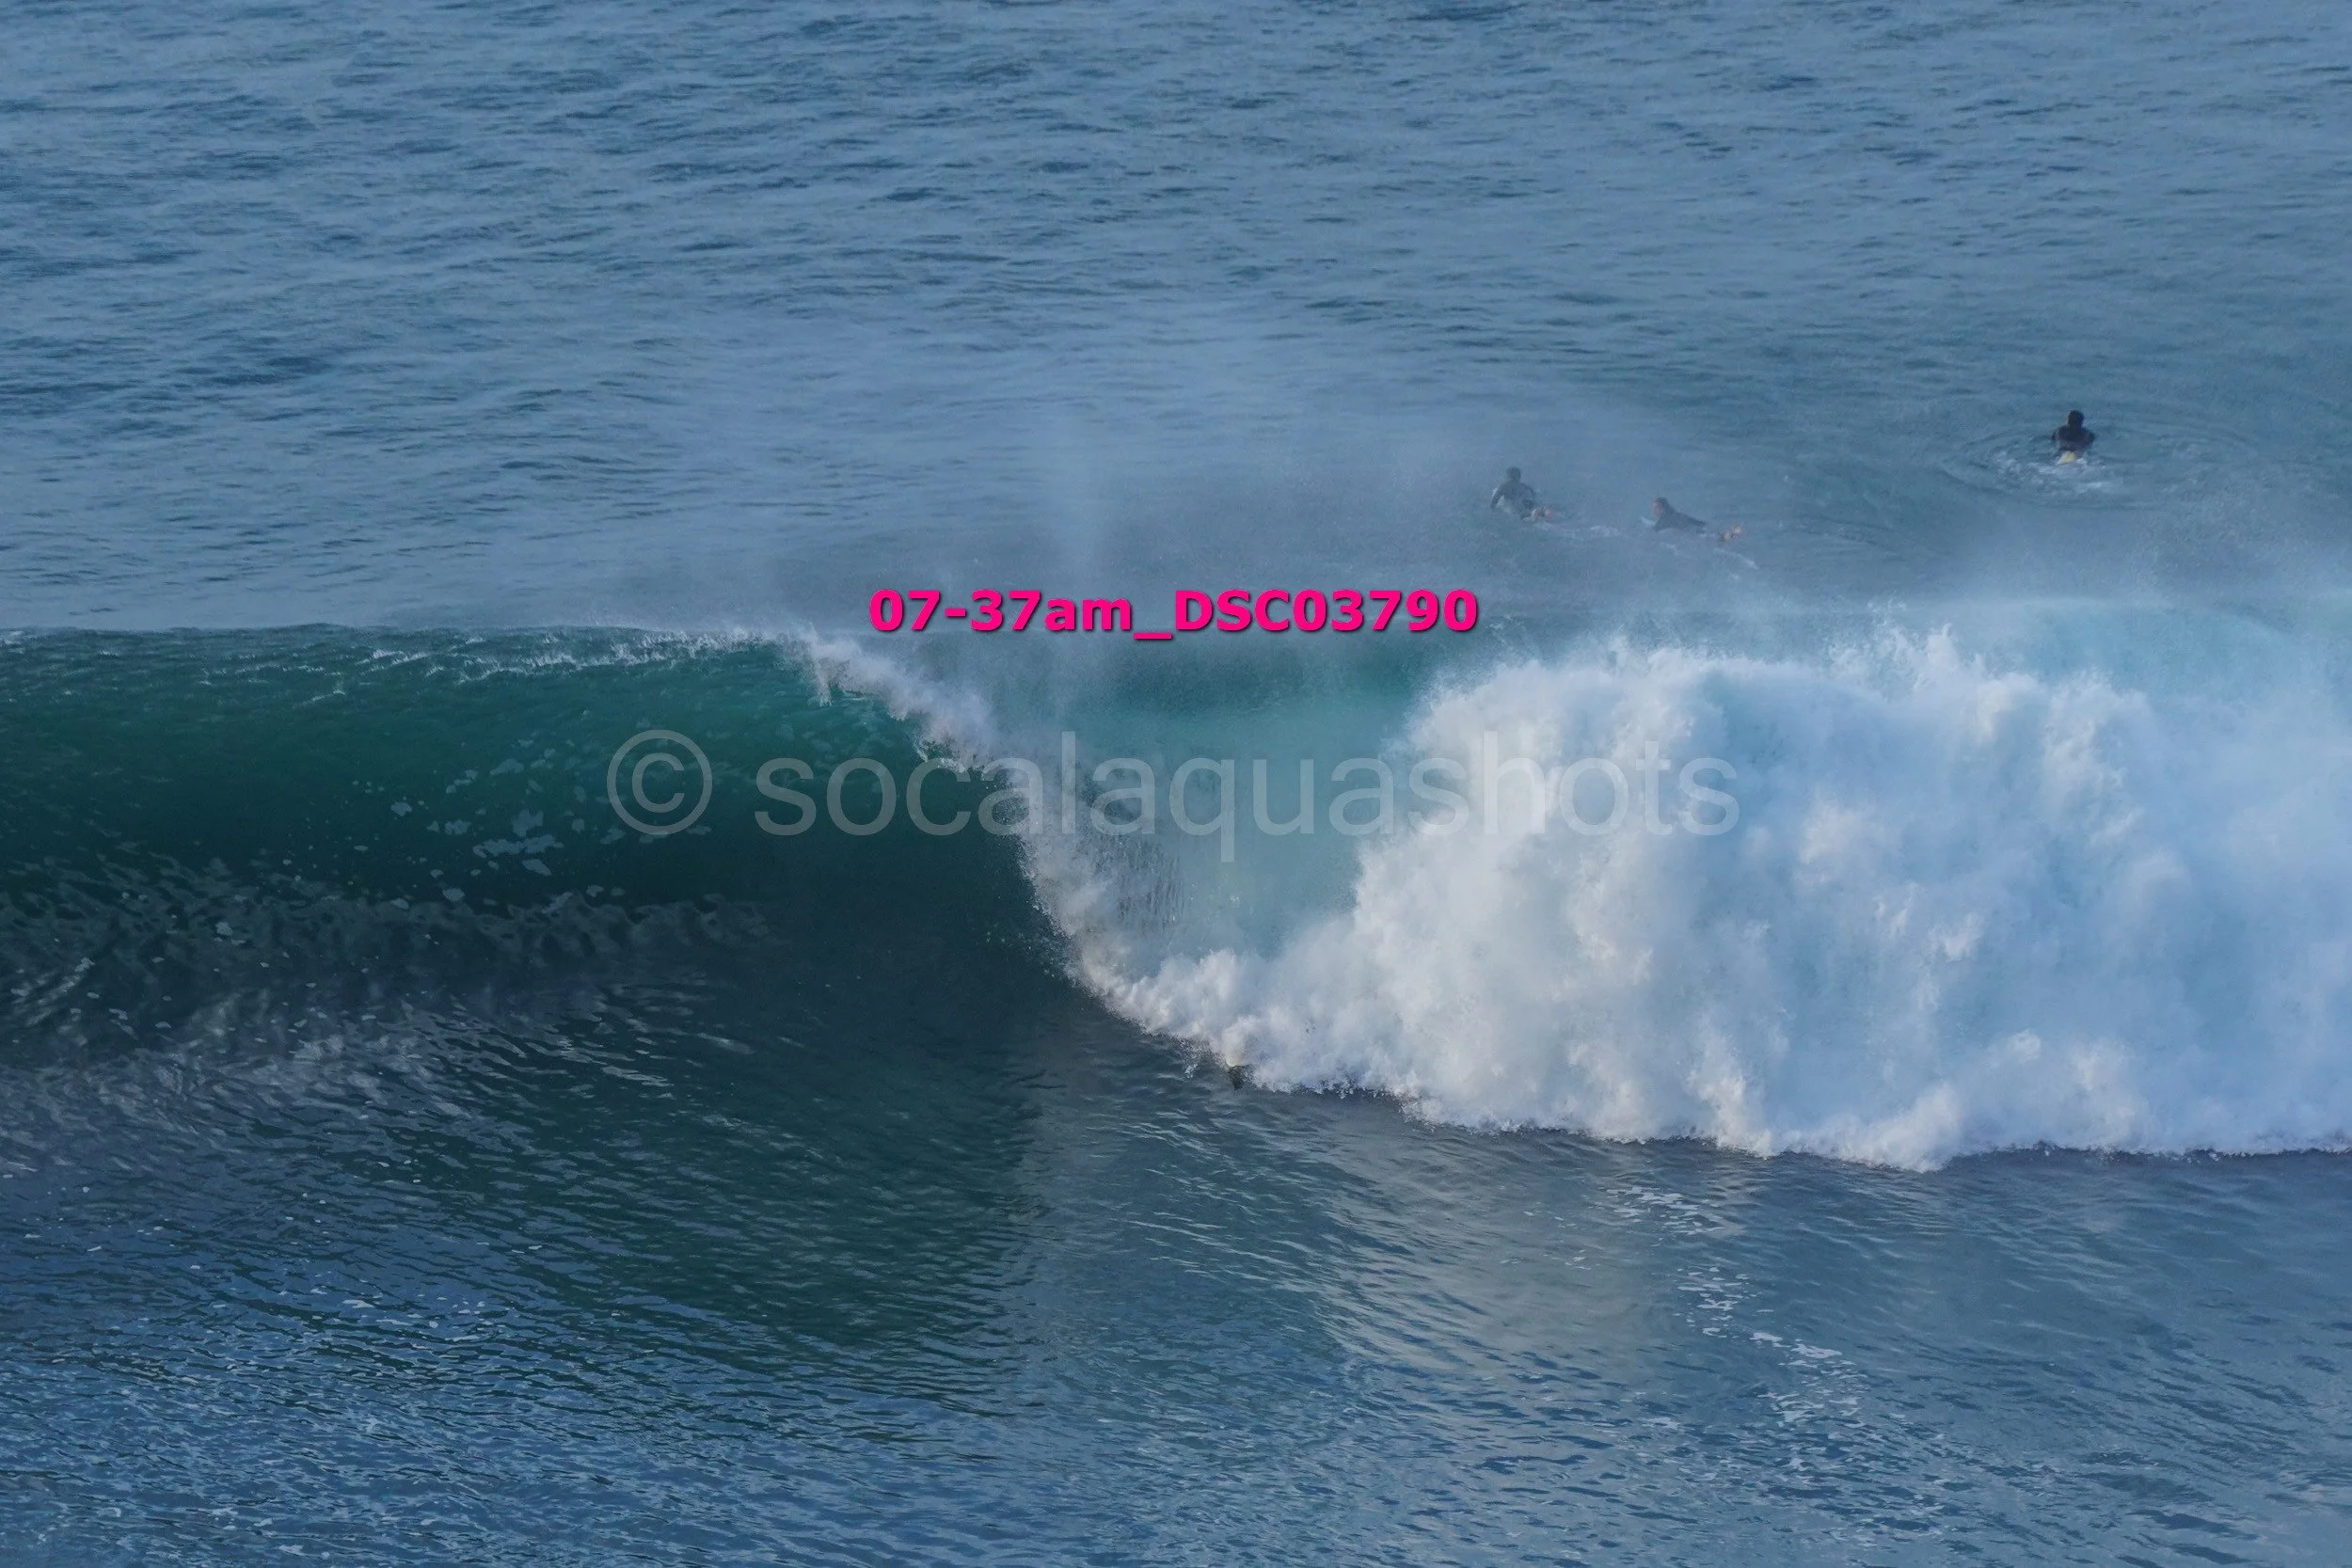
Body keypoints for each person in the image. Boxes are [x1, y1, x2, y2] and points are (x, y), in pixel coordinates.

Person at [1650, 497, 1743, 546]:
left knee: (1712, 539)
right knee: (1714, 536)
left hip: (1687, 532)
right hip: (1693, 527)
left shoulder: (1663, 521)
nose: (1653, 510)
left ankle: (1728, 536)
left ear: (1662, 508)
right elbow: (1696, 522)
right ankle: (1731, 534)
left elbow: (1655, 531)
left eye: (1656, 508)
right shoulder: (1677, 514)